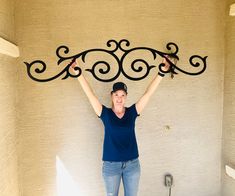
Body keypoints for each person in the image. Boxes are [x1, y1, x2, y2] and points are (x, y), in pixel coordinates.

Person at [71, 57, 170, 196]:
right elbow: (90, 95)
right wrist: (78, 73)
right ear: (112, 96)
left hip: (132, 165)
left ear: (126, 97)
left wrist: (162, 71)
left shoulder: (132, 112)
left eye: (122, 95)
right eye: (116, 94)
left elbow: (148, 94)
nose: (119, 98)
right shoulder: (104, 113)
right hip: (111, 166)